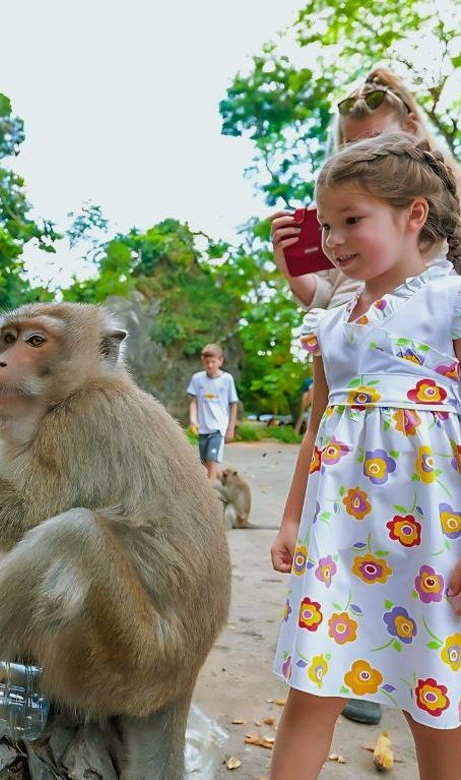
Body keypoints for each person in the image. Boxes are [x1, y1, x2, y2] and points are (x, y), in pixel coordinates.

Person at [270, 65, 461, 726]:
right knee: (316, 682)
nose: (331, 238)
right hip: (343, 522)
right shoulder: (343, 304)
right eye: (328, 224)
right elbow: (324, 409)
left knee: (432, 692)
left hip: (429, 524)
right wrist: (292, 514)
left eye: (348, 219)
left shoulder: (448, 291)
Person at [270, 65, 461, 312]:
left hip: (416, 325)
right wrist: (291, 268)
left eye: (377, 138)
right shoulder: (332, 208)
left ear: (410, 127)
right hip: (344, 326)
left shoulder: (447, 185)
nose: (366, 152)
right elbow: (322, 299)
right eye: (352, 145)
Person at [187, 343, 239, 485]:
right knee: (205, 464)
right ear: (202, 360)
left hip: (219, 428)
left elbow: (233, 404)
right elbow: (194, 402)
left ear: (220, 361)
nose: (210, 365)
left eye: (213, 362)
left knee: (212, 460)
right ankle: (224, 478)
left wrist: (230, 428)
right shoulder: (197, 379)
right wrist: (193, 420)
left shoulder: (227, 379)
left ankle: (208, 495)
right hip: (203, 427)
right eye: (207, 362)